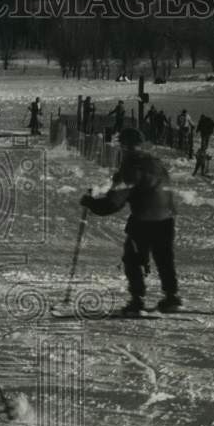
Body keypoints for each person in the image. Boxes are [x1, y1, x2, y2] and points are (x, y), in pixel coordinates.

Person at [80, 127, 182, 315]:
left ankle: (137, 300)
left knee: (132, 258)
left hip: (145, 219)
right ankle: (171, 297)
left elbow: (113, 203)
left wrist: (91, 203)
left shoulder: (132, 166)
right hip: (167, 218)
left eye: (120, 145)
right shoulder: (155, 162)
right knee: (164, 258)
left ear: (125, 146)